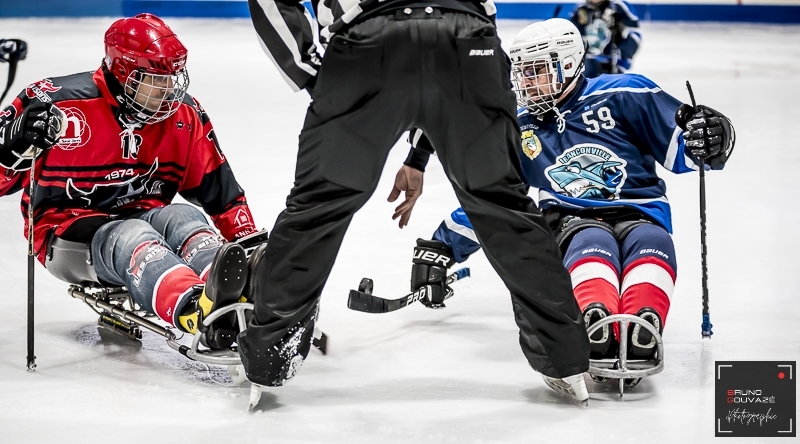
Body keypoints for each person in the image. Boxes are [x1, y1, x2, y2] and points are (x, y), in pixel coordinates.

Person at [241, 0, 591, 405]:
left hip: (366, 42)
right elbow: (441, 54)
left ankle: (268, 362)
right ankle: (566, 361)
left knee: (318, 207)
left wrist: (310, 70)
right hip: (467, 38)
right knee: (504, 206)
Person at [406, 19, 735, 386]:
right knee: (591, 244)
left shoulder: (626, 93)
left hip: (641, 213)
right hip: (571, 221)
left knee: (653, 244)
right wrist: (443, 244)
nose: (525, 82)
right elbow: (496, 200)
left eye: (535, 71)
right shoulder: (519, 126)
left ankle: (643, 327)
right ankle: (596, 320)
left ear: (566, 65)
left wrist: (714, 136)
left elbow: (687, 151)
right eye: (521, 73)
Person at [0, 14, 260, 348]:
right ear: (124, 73)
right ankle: (194, 310)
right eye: (156, 79)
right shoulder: (54, 104)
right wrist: (9, 148)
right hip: (65, 231)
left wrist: (251, 245)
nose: (170, 90)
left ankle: (232, 292)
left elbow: (219, 191)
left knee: (185, 217)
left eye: (174, 78)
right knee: (133, 234)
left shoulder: (184, 114)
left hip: (144, 216)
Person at [570, 0, 642, 77]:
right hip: (588, 61)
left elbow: (635, 34)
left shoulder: (618, 6)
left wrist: (623, 57)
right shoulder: (580, 9)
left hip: (612, 61)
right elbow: (573, 35)